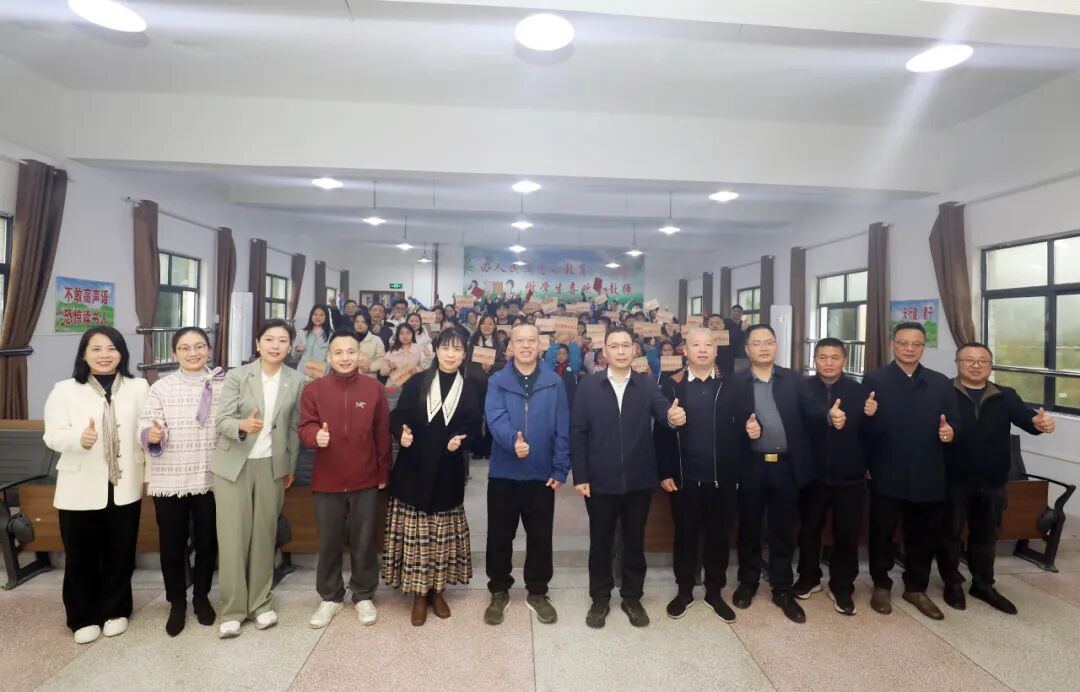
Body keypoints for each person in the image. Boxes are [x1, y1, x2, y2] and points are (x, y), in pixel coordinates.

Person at [571, 326, 683, 629]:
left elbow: (663, 412)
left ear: (635, 350)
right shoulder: (588, 386)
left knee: (634, 542)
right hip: (599, 480)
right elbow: (578, 433)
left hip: (638, 480)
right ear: (604, 351)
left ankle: (632, 597)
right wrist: (580, 474)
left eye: (626, 345)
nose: (621, 351)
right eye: (614, 346)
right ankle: (600, 597)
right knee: (601, 542)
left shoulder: (646, 384)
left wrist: (672, 417)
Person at [43, 327, 149, 645]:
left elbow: (146, 429)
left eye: (112, 348)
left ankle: (116, 610)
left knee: (120, 552)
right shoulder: (64, 390)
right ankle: (83, 616)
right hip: (79, 485)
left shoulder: (138, 387)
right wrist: (79, 439)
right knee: (80, 555)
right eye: (97, 349)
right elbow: (52, 435)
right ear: (84, 354)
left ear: (122, 353)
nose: (105, 355)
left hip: (124, 483)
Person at [937, 342, 1055, 614]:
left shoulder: (1005, 395)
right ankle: (952, 583)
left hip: (993, 481)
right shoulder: (943, 392)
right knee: (949, 535)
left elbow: (1028, 420)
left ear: (990, 365)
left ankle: (983, 584)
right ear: (957, 363)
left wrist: (1040, 424)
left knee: (986, 536)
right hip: (953, 480)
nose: (975, 365)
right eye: (969, 360)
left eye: (982, 361)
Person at [384, 328, 483, 626]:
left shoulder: (471, 388)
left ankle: (437, 591)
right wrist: (401, 432)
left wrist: (461, 439)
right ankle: (418, 594)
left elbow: (474, 428)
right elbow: (398, 415)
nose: (451, 354)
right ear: (436, 350)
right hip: (414, 467)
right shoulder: (417, 382)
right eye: (446, 348)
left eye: (457, 349)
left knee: (441, 539)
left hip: (447, 469)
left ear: (465, 354)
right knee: (417, 538)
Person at [212, 319, 304, 638]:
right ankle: (233, 610)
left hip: (271, 466)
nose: (275, 345)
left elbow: (293, 429)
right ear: (257, 343)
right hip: (234, 465)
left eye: (282, 340)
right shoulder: (237, 376)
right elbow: (221, 420)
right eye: (269, 339)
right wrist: (241, 426)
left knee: (265, 536)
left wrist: (289, 466)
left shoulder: (296, 380)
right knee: (233, 538)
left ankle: (261, 604)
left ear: (290, 346)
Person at [862, 322, 959, 621]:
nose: (909, 348)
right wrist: (867, 417)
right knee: (882, 533)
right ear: (893, 344)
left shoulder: (940, 383)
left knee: (924, 534)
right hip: (887, 471)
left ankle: (916, 587)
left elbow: (954, 422)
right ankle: (881, 584)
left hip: (928, 472)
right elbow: (862, 429)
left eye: (916, 344)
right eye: (903, 342)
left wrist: (950, 433)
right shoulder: (875, 379)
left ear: (923, 348)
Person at [299, 329, 392, 629]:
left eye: (351, 352)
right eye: (338, 352)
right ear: (328, 356)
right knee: (329, 541)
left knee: (364, 540)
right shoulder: (314, 390)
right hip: (327, 480)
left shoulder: (374, 389)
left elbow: (382, 434)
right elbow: (305, 426)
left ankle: (363, 594)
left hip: (366, 478)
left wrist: (383, 471)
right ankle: (330, 597)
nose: (345, 358)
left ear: (360, 355)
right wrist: (315, 436)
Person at [731, 324, 822, 624]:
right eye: (757, 343)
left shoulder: (794, 380)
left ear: (776, 346)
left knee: (783, 529)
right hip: (751, 466)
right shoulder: (736, 382)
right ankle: (748, 582)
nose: (763, 347)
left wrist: (830, 416)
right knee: (750, 527)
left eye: (768, 342)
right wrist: (743, 431)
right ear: (747, 349)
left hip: (786, 466)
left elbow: (812, 412)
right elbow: (726, 424)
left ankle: (782, 588)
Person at [482, 324, 571, 626]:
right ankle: (499, 590)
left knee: (540, 536)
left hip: (541, 473)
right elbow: (495, 417)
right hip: (504, 473)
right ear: (510, 346)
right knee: (499, 535)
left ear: (540, 345)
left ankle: (538, 591)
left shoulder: (554, 382)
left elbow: (562, 427)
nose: (525, 346)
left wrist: (560, 467)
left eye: (531, 340)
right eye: (519, 341)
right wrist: (513, 442)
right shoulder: (497, 380)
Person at [138, 327, 222, 636]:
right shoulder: (161, 387)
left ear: (209, 349)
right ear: (174, 353)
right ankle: (176, 602)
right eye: (185, 348)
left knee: (207, 542)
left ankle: (201, 597)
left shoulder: (223, 384)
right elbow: (145, 424)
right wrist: (152, 434)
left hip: (210, 476)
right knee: (171, 545)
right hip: (170, 477)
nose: (193, 353)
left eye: (199, 346)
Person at [655, 328, 742, 623]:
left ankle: (715, 592)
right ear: (685, 350)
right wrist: (665, 471)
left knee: (719, 538)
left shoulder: (731, 384)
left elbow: (744, 427)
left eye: (708, 345)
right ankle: (684, 591)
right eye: (696, 345)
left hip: (723, 479)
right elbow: (661, 434)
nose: (703, 350)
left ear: (717, 350)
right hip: (685, 479)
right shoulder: (671, 385)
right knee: (685, 537)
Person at [793, 338, 870, 616]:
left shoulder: (859, 392)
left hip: (850, 476)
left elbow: (870, 434)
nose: (828, 363)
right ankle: (808, 577)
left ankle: (842, 586)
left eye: (835, 357)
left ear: (844, 361)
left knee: (847, 533)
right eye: (823, 357)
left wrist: (871, 417)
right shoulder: (802, 389)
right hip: (811, 475)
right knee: (809, 530)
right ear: (814, 359)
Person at [292, 304, 331, 375]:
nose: (318, 317)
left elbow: (332, 358)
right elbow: (294, 357)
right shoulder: (301, 333)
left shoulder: (330, 335)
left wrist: (326, 372)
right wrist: (297, 350)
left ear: (326, 317)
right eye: (315, 314)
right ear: (311, 316)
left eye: (321, 315)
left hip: (321, 374)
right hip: (302, 373)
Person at [352, 311, 386, 376]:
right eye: (357, 321)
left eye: (363, 322)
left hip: (369, 376)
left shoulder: (376, 340)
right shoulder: (348, 339)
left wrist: (370, 368)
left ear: (368, 324)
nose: (359, 325)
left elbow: (381, 359)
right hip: (349, 377)